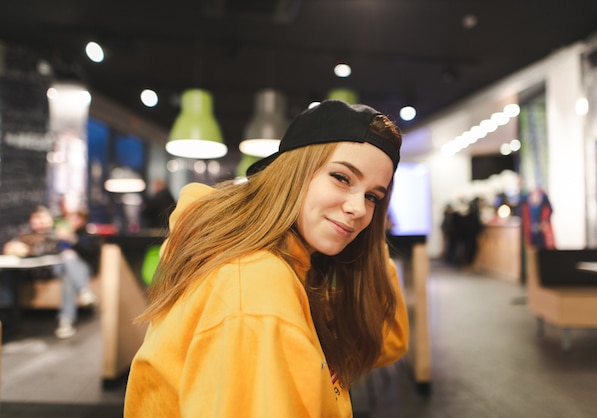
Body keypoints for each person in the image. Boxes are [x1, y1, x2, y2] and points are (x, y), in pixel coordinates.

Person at [124, 100, 410, 417]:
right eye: (341, 178)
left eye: (373, 196)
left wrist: (368, 254)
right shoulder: (256, 288)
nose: (359, 208)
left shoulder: (292, 268)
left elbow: (383, 341)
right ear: (292, 174)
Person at [54, 208, 101, 339]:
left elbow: (90, 254)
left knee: (68, 274)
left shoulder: (89, 235)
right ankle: (85, 291)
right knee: (67, 259)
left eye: (75, 218)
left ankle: (65, 321)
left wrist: (72, 240)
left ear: (83, 219)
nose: (72, 222)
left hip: (85, 269)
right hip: (61, 268)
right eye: (70, 219)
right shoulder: (60, 236)